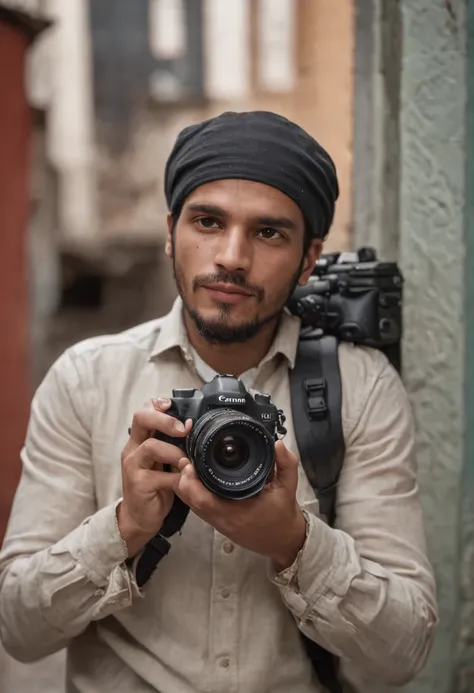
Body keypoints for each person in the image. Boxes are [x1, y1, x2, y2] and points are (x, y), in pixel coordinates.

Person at [0, 111, 437, 693]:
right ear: (170, 230)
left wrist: (292, 542)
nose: (232, 256)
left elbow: (406, 649)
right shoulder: (87, 380)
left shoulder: (359, 386)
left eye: (268, 232)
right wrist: (125, 527)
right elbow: (18, 630)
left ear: (309, 258)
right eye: (208, 221)